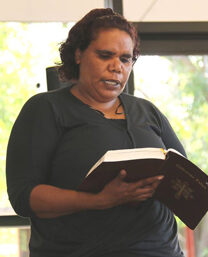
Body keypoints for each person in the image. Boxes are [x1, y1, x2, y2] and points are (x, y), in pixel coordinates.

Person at [6, 8, 186, 257]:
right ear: (78, 54)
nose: (117, 67)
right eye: (105, 56)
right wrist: (100, 200)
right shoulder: (45, 110)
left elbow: (184, 176)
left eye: (126, 59)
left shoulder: (147, 111)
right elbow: (24, 197)